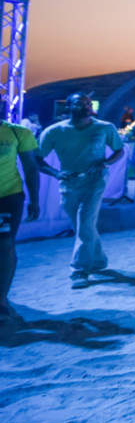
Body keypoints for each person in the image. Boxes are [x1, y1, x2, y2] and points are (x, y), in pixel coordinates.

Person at [36, 93, 125, 289]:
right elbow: (38, 158)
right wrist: (56, 173)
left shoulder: (104, 127)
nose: (86, 107)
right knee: (82, 226)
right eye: (80, 104)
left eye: (88, 103)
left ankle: (79, 270)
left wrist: (105, 163)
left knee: (85, 222)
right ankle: (99, 260)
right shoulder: (54, 131)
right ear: (67, 108)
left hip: (95, 181)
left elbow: (119, 150)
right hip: (69, 183)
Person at [0, 105, 40, 323]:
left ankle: (1, 299)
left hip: (7, 197)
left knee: (5, 245)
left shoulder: (18, 132)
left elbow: (31, 167)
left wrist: (34, 199)